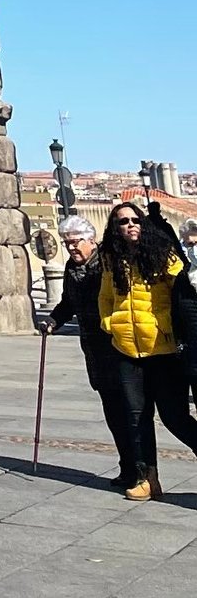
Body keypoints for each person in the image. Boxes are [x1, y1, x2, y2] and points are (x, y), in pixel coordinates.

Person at [95, 199, 197, 502]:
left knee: (174, 416)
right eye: (122, 222)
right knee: (135, 416)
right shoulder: (110, 259)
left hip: (163, 349)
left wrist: (170, 326)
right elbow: (104, 296)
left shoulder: (163, 255)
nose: (129, 226)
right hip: (126, 348)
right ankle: (146, 479)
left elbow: (185, 291)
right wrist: (109, 323)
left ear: (143, 223)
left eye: (133, 220)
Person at [47, 210, 153, 492]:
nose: (71, 247)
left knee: (131, 412)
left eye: (76, 241)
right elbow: (68, 302)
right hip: (94, 351)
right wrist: (54, 320)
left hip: (118, 347)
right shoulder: (71, 269)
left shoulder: (107, 263)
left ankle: (141, 470)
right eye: (67, 243)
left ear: (91, 240)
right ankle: (127, 466)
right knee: (113, 412)